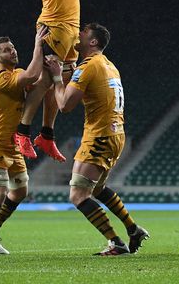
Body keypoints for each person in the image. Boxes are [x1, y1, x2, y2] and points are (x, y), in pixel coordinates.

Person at [46, 23, 149, 256]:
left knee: (78, 194)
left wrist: (56, 77)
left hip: (99, 135)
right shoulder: (108, 65)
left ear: (92, 41)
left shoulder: (89, 66)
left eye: (82, 32)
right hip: (115, 133)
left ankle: (116, 242)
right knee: (98, 188)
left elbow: (64, 105)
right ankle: (133, 229)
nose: (77, 34)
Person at [14, 0, 81, 162]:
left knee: (61, 81)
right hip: (53, 25)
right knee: (43, 81)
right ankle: (22, 131)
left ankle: (47, 135)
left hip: (71, 29)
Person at [0, 28, 47, 256]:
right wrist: (38, 44)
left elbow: (38, 84)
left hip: (12, 145)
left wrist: (56, 71)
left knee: (20, 192)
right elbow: (33, 76)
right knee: (0, 192)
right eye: (7, 50)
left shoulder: (15, 74)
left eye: (13, 48)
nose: (13, 52)